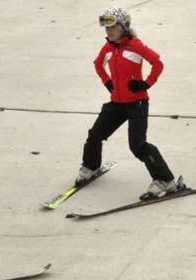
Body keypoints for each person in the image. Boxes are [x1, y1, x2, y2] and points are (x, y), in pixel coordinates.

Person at [75, 7, 178, 200]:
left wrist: (146, 83)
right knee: (95, 134)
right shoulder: (108, 47)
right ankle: (91, 166)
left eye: (112, 27)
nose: (108, 31)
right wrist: (108, 83)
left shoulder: (135, 45)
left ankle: (166, 180)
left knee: (138, 145)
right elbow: (98, 64)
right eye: (106, 28)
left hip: (137, 103)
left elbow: (158, 62)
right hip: (117, 103)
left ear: (123, 27)